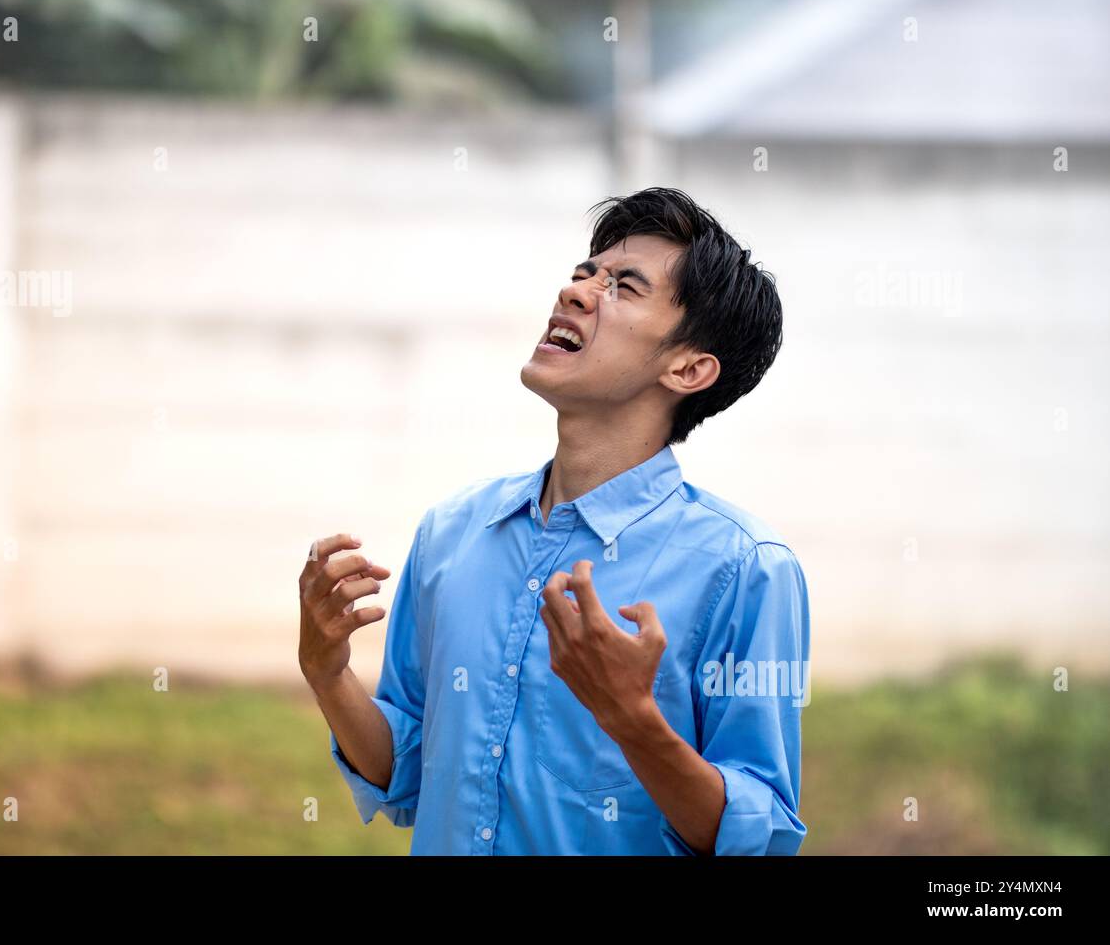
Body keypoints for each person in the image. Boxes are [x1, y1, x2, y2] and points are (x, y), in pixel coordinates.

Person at [298, 187, 810, 855]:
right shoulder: (452, 533)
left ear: (689, 368)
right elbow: (410, 774)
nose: (576, 293)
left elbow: (758, 836)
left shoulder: (747, 570)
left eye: (623, 286)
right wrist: (327, 669)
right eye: (582, 274)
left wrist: (633, 721)